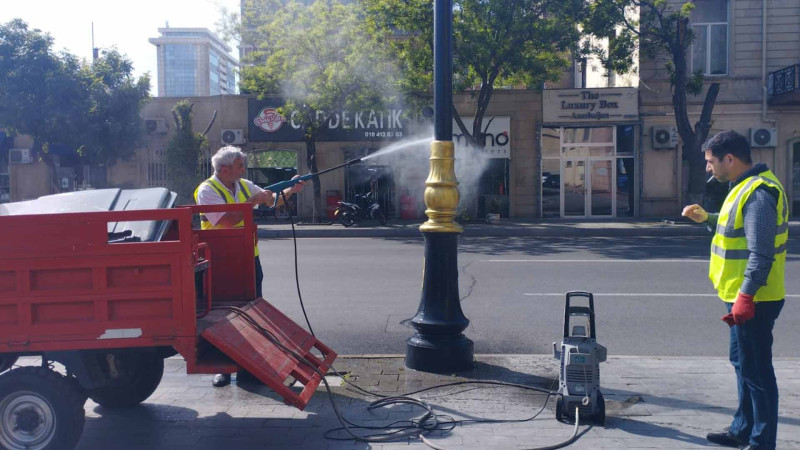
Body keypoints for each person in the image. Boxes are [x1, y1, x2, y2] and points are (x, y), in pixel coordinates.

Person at [682, 130, 788, 450]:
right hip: (742, 297)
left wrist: (745, 297)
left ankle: (760, 442)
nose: (708, 167)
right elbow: (738, 228)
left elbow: (761, 253)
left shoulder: (758, 193)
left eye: (711, 161)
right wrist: (708, 218)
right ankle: (742, 429)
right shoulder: (743, 186)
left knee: (757, 373)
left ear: (730, 159)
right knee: (743, 364)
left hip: (755, 299)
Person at [194, 146, 304, 387]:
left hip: (248, 258)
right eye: (240, 166)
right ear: (224, 169)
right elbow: (225, 222)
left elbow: (271, 201)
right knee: (222, 316)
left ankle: (249, 368)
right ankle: (223, 368)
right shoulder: (207, 190)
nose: (244, 170)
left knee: (253, 313)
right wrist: (253, 200)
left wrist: (290, 190)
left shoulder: (243, 185)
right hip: (220, 261)